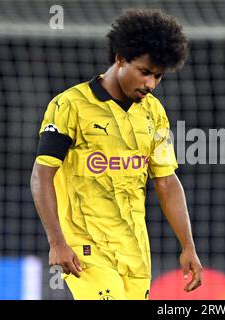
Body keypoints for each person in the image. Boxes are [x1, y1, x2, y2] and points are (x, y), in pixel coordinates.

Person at [30, 8, 202, 300]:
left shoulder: (153, 111)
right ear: (120, 58)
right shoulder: (70, 105)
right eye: (145, 72)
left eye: (158, 76)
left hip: (135, 249)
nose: (150, 84)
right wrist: (56, 241)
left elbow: (166, 181)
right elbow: (42, 175)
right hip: (86, 247)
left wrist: (188, 246)